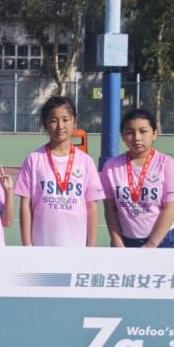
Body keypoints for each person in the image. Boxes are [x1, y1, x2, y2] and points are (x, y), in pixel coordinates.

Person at [16, 96, 105, 247]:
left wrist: (91, 246)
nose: (60, 126)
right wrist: (27, 244)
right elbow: (25, 204)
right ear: (45, 123)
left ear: (74, 121)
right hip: (42, 244)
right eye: (53, 120)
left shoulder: (86, 162)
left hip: (76, 245)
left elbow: (91, 206)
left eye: (65, 119)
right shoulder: (34, 159)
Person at [101, 109, 174, 248]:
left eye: (143, 131)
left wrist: (152, 243)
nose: (137, 138)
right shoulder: (111, 167)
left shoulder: (167, 164)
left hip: (161, 240)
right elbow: (110, 209)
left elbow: (172, 207)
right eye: (129, 132)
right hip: (125, 240)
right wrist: (117, 242)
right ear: (122, 136)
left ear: (154, 134)